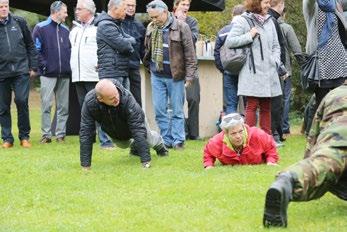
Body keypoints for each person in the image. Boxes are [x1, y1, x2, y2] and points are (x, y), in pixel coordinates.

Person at [263, 78, 347, 228]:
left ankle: (288, 180)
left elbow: (313, 133)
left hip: (332, 141)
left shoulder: (332, 95)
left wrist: (308, 162)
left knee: (327, 160)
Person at [143, 0, 197, 150]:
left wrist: (190, 76)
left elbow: (190, 54)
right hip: (157, 75)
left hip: (176, 76)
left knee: (177, 110)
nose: (153, 20)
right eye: (151, 17)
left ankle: (178, 140)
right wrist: (150, 67)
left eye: (156, 17)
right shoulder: (151, 27)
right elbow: (147, 50)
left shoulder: (182, 27)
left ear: (165, 12)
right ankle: (166, 140)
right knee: (160, 110)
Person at [79, 79, 169, 169]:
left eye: (116, 94)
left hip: (135, 122)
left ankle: (159, 143)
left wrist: (146, 162)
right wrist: (85, 165)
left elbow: (138, 129)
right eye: (111, 98)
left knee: (148, 140)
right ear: (100, 99)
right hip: (114, 129)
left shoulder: (127, 99)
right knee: (123, 145)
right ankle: (135, 147)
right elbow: (85, 132)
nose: (116, 99)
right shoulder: (90, 103)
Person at [225, 0, 282, 135]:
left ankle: (266, 140)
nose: (268, 5)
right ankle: (248, 139)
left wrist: (275, 61)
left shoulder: (270, 21)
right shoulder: (243, 21)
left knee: (266, 105)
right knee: (252, 105)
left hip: (269, 70)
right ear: (256, 3)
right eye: (266, 2)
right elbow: (230, 41)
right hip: (252, 71)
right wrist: (249, 36)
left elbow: (276, 46)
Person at [69, 0, 114, 150]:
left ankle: (106, 141)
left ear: (89, 11)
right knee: (85, 109)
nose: (76, 11)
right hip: (78, 76)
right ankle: (88, 139)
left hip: (94, 76)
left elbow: (107, 49)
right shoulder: (74, 30)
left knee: (100, 108)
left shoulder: (98, 28)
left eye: (79, 9)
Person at [303, 0, 347, 133]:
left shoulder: (335, 4)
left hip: (339, 60)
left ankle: (339, 130)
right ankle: (317, 133)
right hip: (321, 60)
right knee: (321, 100)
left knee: (341, 98)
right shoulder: (312, 5)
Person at [0, 0, 38, 148]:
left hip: (21, 70)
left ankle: (24, 137)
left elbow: (30, 44)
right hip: (2, 73)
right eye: (1, 7)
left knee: (22, 102)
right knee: (3, 107)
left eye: (5, 6)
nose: (3, 9)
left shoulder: (19, 22)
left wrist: (33, 66)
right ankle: (7, 139)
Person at [32, 1, 71, 144]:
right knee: (46, 104)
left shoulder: (66, 30)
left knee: (63, 106)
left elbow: (69, 50)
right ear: (56, 11)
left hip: (64, 73)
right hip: (48, 73)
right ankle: (46, 135)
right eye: (65, 11)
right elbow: (36, 50)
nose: (67, 14)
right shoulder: (40, 28)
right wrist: (44, 66)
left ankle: (60, 135)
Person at [203, 113, 279, 169]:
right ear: (226, 133)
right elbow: (208, 152)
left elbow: (270, 147)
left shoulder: (258, 134)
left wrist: (271, 161)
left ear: (244, 127)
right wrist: (209, 165)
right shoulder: (216, 141)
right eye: (233, 133)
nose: (238, 136)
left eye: (240, 131)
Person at [173, 0, 200, 140]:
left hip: (190, 66)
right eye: (182, 4)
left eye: (187, 5)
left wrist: (184, 24)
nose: (185, 8)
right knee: (176, 101)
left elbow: (193, 39)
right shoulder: (169, 21)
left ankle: (194, 133)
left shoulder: (192, 22)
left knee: (193, 98)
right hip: (174, 67)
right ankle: (181, 131)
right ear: (175, 6)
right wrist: (177, 23)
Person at [94, 0, 135, 89]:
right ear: (115, 9)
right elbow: (124, 46)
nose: (126, 12)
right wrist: (130, 43)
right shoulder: (106, 25)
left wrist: (129, 42)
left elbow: (132, 40)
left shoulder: (115, 24)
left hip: (120, 71)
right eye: (124, 9)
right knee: (114, 101)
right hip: (111, 73)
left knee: (125, 101)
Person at [214, 4, 245, 114]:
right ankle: (249, 130)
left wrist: (223, 69)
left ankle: (231, 130)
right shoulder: (247, 29)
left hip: (229, 71)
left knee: (231, 104)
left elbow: (216, 53)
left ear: (232, 15)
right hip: (245, 71)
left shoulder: (223, 31)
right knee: (249, 105)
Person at [278, 8, 302, 137]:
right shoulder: (286, 28)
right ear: (284, 14)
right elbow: (296, 49)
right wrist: (304, 65)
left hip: (270, 70)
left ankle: (274, 127)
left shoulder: (265, 25)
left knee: (274, 99)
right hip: (285, 70)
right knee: (285, 98)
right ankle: (285, 127)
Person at [268, 0, 288, 146]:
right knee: (276, 102)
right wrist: (281, 67)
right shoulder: (272, 20)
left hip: (273, 66)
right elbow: (278, 46)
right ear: (280, 4)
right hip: (274, 68)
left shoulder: (272, 20)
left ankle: (278, 133)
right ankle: (274, 134)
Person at [122, 0, 146, 106]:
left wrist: (150, 66)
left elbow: (143, 50)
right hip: (119, 68)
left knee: (136, 101)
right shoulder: (116, 23)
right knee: (121, 100)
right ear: (123, 6)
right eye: (128, 5)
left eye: (133, 6)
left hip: (134, 68)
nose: (131, 8)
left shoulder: (139, 26)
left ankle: (138, 122)